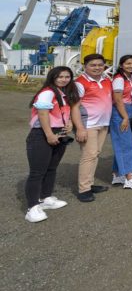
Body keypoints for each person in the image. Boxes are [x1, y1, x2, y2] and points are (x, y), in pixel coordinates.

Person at [24, 67, 82, 223]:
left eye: (67, 76)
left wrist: (69, 123)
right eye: (60, 77)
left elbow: (65, 112)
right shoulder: (48, 92)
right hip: (41, 134)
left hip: (59, 132)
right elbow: (43, 114)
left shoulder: (64, 93)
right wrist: (49, 134)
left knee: (51, 168)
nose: (64, 79)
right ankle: (32, 207)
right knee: (37, 172)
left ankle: (45, 197)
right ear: (52, 77)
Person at [74, 54, 113, 203]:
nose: (97, 68)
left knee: (95, 154)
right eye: (93, 65)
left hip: (103, 123)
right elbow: (74, 107)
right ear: (85, 66)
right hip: (88, 125)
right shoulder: (80, 83)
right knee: (89, 155)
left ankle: (89, 184)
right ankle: (84, 189)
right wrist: (79, 128)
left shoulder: (106, 80)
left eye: (100, 65)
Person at [109, 55, 132, 190]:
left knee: (122, 143)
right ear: (121, 65)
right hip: (120, 113)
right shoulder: (119, 79)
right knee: (126, 145)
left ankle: (117, 174)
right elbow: (118, 100)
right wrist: (124, 117)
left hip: (130, 110)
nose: (131, 66)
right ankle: (129, 177)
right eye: (127, 63)